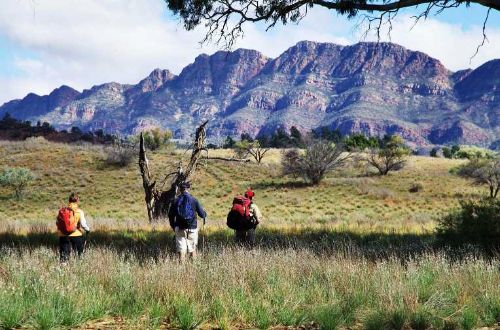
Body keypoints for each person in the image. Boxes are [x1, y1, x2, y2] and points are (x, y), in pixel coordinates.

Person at [168, 182, 207, 262]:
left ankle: (182, 270)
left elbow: (170, 216)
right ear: (188, 189)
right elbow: (202, 215)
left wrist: (174, 226)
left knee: (181, 251)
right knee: (192, 250)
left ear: (180, 189)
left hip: (179, 228)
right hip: (192, 227)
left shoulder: (175, 201)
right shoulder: (194, 200)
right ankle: (193, 269)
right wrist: (205, 213)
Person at [58, 192, 90, 262]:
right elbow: (83, 224)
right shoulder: (79, 211)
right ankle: (79, 267)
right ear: (77, 201)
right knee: (79, 254)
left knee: (64, 257)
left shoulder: (62, 211)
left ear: (69, 201)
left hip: (63, 235)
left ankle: (63, 269)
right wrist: (88, 230)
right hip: (76, 235)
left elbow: (57, 223)